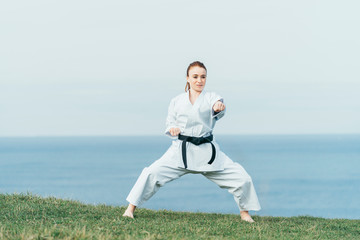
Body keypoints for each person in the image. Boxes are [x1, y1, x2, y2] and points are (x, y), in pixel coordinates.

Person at [123, 61, 261, 222]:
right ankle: (130, 209)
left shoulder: (212, 97)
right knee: (151, 173)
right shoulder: (176, 101)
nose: (199, 80)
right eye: (195, 76)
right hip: (181, 151)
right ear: (187, 78)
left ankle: (244, 213)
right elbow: (170, 122)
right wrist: (173, 128)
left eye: (203, 77)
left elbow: (218, 106)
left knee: (242, 178)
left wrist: (218, 107)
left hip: (208, 153)